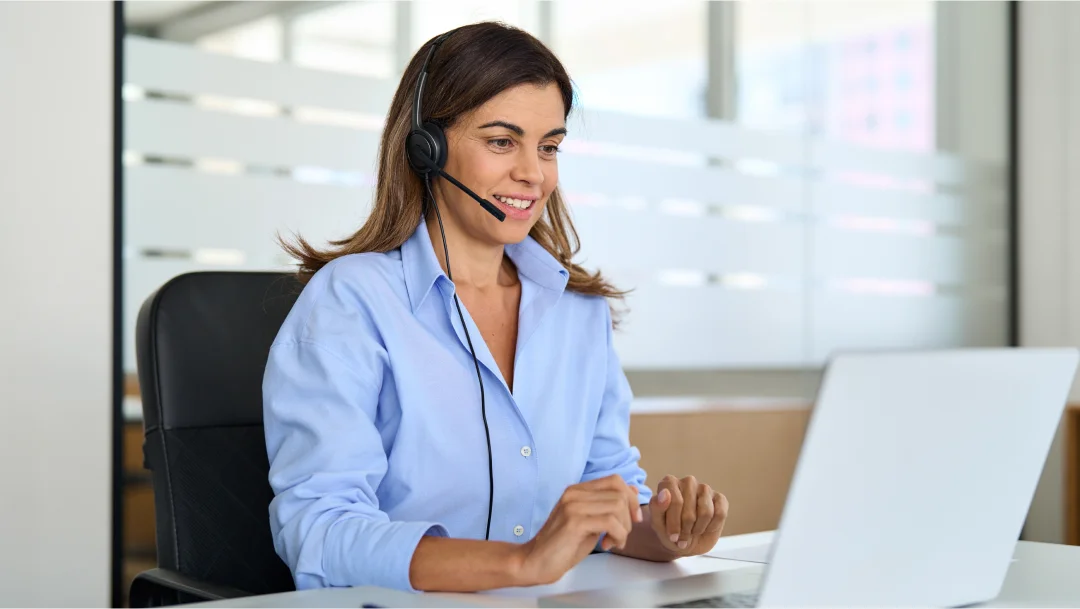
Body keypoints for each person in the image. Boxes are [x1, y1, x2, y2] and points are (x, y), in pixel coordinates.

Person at [262, 21, 729, 594]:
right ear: (426, 148)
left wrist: (668, 532)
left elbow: (608, 498)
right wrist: (521, 563)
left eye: (549, 147)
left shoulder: (577, 313)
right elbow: (320, 530)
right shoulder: (352, 302)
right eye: (501, 142)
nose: (532, 173)